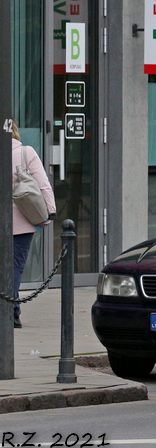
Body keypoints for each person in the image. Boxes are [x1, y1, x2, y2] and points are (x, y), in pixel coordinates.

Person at [11, 122, 55, 328]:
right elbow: (42, 184)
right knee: (15, 266)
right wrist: (50, 211)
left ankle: (11, 310)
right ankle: (12, 312)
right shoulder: (26, 152)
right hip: (22, 221)